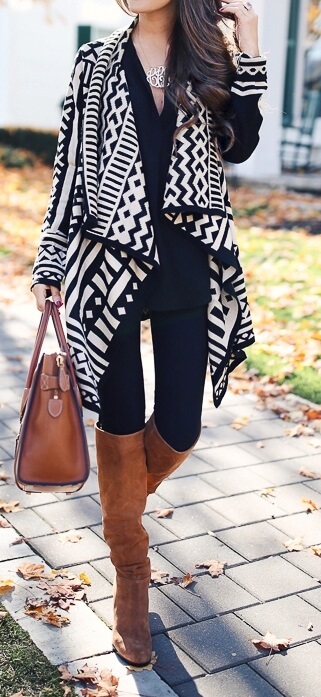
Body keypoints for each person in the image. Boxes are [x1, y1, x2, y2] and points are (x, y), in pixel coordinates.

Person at [32, 0, 267, 667]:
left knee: (181, 426)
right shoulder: (96, 62)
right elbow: (69, 169)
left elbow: (240, 145)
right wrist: (51, 258)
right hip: (108, 261)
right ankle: (130, 579)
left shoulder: (210, 57)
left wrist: (247, 39)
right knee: (122, 416)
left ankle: (118, 511)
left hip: (188, 257)